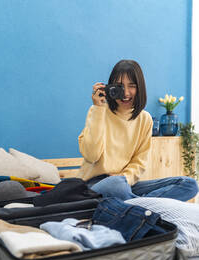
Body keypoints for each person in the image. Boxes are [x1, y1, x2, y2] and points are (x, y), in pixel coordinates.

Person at [77, 59, 198, 202]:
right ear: (111, 87)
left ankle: (133, 206)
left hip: (125, 183)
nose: (126, 93)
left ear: (140, 88)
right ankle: (141, 205)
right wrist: (98, 109)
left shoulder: (145, 119)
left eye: (132, 86)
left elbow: (139, 163)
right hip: (94, 186)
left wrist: (124, 178)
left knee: (189, 185)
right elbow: (92, 156)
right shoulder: (98, 111)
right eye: (120, 86)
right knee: (115, 186)